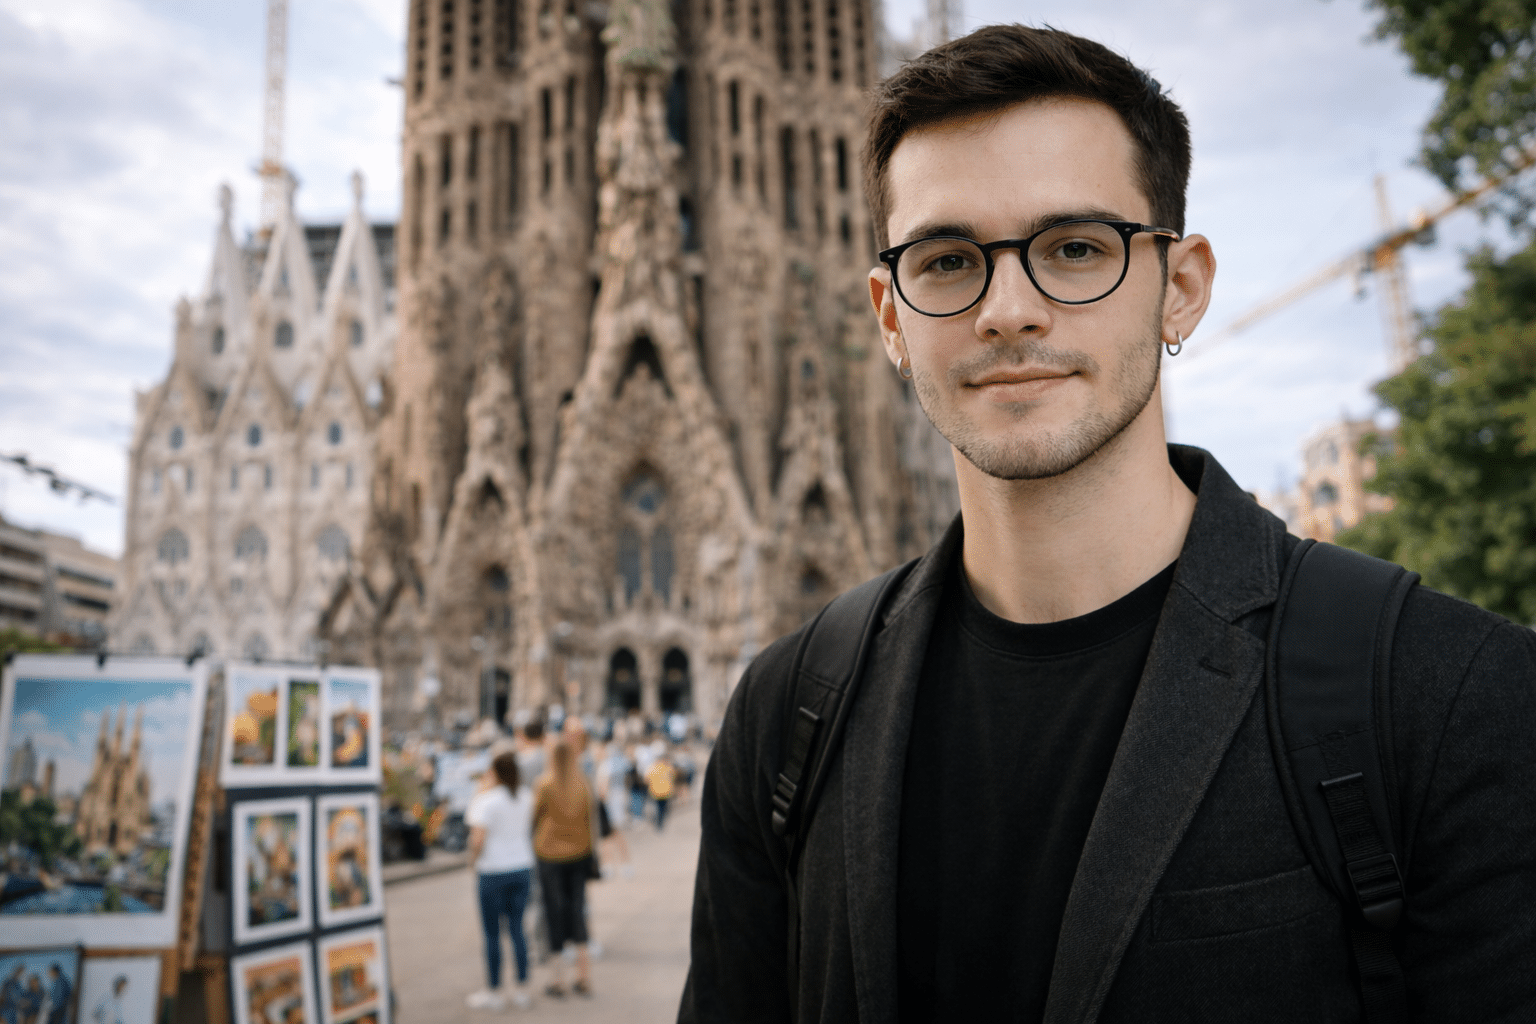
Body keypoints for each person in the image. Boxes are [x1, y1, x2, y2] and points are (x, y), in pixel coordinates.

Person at [680, 23, 1536, 1024]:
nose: (1008, 308)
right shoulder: (787, 716)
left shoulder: (1448, 698)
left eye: (1074, 248)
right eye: (949, 260)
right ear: (889, 315)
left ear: (1180, 287)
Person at [464, 751, 535, 1011]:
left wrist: (472, 861)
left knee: (492, 933)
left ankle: (494, 989)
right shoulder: (526, 796)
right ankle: (522, 987)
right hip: (521, 867)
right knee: (517, 930)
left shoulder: (486, 800)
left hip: (493, 870)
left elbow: (477, 839)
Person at [533, 739, 595, 998]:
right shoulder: (583, 784)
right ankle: (583, 975)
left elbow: (535, 816)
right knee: (578, 911)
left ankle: (557, 978)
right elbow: (590, 818)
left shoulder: (545, 784)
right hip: (579, 852)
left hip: (550, 854)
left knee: (553, 913)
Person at [646, 749, 677, 831]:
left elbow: (646, 778)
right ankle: (659, 822)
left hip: (657, 792)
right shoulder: (668, 768)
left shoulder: (653, 767)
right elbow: (673, 777)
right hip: (663, 792)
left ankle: (658, 822)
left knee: (659, 808)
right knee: (662, 809)